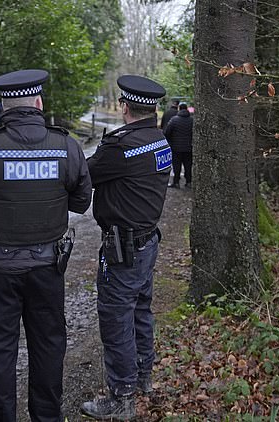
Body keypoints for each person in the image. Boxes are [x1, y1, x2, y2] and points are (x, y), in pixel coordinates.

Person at [0, 69, 92, 422]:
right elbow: (81, 200)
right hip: (47, 268)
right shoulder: (67, 147)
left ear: (2, 107)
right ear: (39, 103)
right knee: (49, 344)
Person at [81, 75, 171, 421]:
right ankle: (143, 376)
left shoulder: (120, 147)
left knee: (116, 319)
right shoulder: (158, 139)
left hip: (124, 250)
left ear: (124, 107)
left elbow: (84, 175)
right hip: (147, 242)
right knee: (141, 312)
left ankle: (121, 398)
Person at [163, 102, 193, 188]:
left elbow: (167, 132)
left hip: (176, 148)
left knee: (176, 165)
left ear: (179, 109)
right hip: (188, 148)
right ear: (186, 109)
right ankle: (189, 182)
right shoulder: (192, 120)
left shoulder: (174, 120)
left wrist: (170, 142)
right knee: (188, 165)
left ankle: (176, 182)